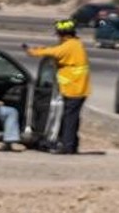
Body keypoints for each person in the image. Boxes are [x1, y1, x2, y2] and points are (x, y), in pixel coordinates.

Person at [24, 19, 90, 154]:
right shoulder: (76, 44)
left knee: (69, 119)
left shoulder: (68, 47)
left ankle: (67, 146)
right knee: (73, 118)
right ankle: (71, 144)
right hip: (79, 88)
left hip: (73, 89)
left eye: (59, 35)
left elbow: (52, 52)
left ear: (63, 34)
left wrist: (32, 51)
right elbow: (55, 50)